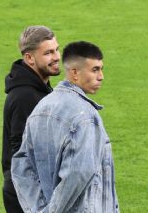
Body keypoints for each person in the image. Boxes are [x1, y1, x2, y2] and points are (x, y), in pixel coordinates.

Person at [11, 41, 119, 213]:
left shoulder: (41, 108)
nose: (101, 76)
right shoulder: (86, 117)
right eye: (95, 70)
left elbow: (21, 167)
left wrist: (38, 209)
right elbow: (79, 173)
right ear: (74, 73)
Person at [2, 25, 61, 213]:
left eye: (57, 49)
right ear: (29, 58)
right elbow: (22, 152)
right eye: (49, 53)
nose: (57, 57)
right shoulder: (25, 96)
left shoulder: (40, 90)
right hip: (28, 194)